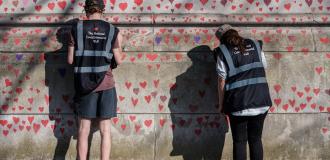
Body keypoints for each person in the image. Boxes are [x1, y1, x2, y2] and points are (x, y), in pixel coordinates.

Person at [67, 0, 123, 159]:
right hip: (106, 84)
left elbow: (71, 60)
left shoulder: (76, 28)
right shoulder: (112, 30)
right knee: (105, 129)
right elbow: (119, 60)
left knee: (84, 128)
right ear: (102, 10)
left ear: (86, 9)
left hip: (84, 85)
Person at [214, 24, 272, 160]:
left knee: (240, 142)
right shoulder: (255, 44)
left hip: (238, 104)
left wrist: (221, 105)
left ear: (221, 39)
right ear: (236, 33)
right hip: (261, 101)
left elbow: (221, 81)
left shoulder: (222, 51)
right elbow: (264, 66)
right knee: (256, 140)